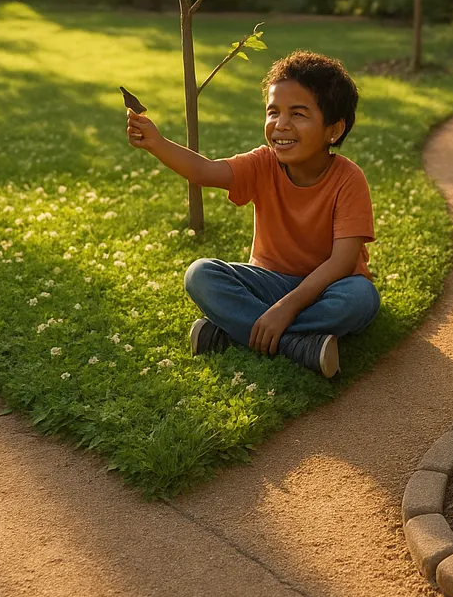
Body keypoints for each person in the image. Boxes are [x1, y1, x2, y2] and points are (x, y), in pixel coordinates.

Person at [125, 50, 378, 377]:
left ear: (333, 129)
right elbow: (204, 171)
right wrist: (156, 142)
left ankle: (232, 331)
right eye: (273, 112)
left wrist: (285, 309)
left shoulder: (348, 178)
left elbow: (342, 262)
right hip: (268, 283)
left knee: (361, 298)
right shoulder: (263, 163)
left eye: (298, 114)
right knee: (200, 275)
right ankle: (297, 345)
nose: (281, 124)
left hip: (329, 287)